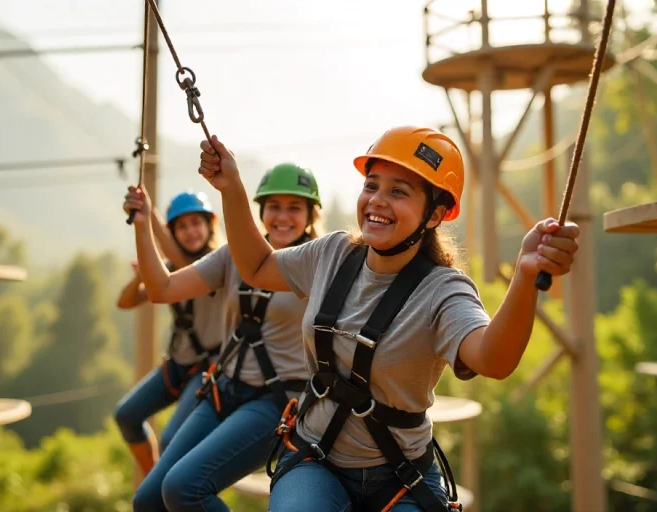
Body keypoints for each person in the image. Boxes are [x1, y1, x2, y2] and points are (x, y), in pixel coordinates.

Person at [196, 127, 582, 511]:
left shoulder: (443, 290)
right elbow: (258, 265)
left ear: (436, 214)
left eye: (398, 191)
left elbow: (492, 359)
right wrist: (231, 189)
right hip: (314, 459)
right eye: (371, 185)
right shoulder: (332, 254)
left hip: (399, 476)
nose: (377, 201)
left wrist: (525, 278)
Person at [122, 163, 322, 511]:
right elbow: (161, 288)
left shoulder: (322, 263)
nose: (283, 216)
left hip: (274, 402)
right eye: (275, 206)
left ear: (309, 214)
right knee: (148, 500)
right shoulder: (234, 256)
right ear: (261, 211)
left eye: (294, 207)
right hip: (221, 389)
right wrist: (142, 225)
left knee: (184, 489)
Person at [113, 191, 225, 477]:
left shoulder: (221, 263)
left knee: (171, 441)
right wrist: (141, 277)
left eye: (195, 223)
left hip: (208, 367)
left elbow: (188, 266)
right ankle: (153, 481)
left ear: (209, 225)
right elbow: (126, 302)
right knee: (126, 415)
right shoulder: (170, 270)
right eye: (182, 227)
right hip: (177, 364)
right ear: (173, 233)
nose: (190, 232)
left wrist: (148, 215)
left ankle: (162, 494)